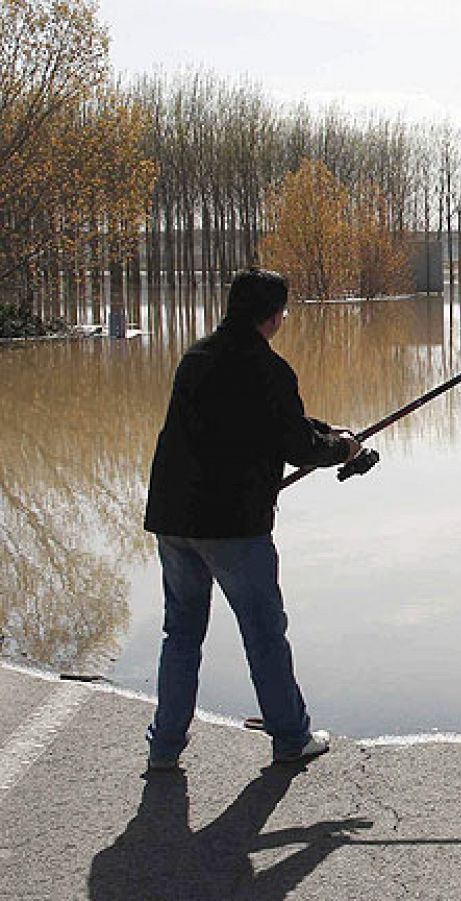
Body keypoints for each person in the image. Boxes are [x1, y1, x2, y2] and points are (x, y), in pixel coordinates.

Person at [142, 267, 361, 771]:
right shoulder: (269, 370)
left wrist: (325, 430)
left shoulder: (196, 358)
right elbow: (296, 444)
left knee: (181, 632)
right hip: (233, 527)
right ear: (274, 315)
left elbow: (269, 423)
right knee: (263, 631)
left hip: (173, 520)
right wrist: (343, 447)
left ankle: (165, 747)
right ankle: (290, 737)